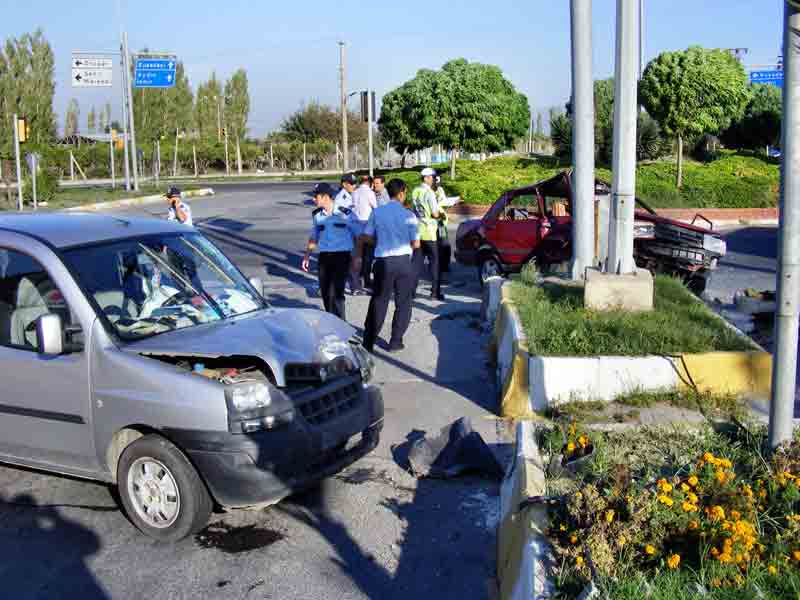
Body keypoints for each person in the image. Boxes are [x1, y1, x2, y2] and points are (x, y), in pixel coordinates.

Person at [354, 178, 420, 353]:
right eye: (405, 192)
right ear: (401, 193)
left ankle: (369, 341)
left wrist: (380, 240)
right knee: (403, 303)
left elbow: (366, 236)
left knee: (379, 301)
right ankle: (396, 341)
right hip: (404, 262)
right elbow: (416, 243)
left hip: (383, 263)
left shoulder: (378, 213)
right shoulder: (409, 215)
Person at [301, 183, 360, 320]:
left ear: (325, 197)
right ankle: (332, 322)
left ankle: (342, 326)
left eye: (315, 197)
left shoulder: (344, 213)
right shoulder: (317, 215)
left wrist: (357, 256)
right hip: (324, 257)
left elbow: (358, 235)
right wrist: (306, 256)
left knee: (337, 293)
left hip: (342, 256)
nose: (313, 200)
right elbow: (314, 236)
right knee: (326, 292)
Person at [411, 167, 443, 300]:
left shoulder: (415, 191)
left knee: (416, 263)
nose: (433, 179)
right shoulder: (429, 192)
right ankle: (435, 293)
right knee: (434, 262)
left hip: (418, 230)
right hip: (429, 231)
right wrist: (442, 214)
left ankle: (411, 292)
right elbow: (435, 213)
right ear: (425, 178)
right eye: (432, 177)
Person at [352, 175, 377, 289]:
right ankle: (366, 279)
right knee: (368, 255)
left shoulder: (354, 192)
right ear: (370, 183)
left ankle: (356, 281)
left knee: (357, 254)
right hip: (367, 225)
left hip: (355, 225)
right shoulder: (370, 193)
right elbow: (376, 208)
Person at [432, 175, 451, 276]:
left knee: (445, 243)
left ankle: (444, 265)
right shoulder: (425, 192)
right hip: (430, 224)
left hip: (440, 222)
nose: (436, 184)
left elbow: (444, 201)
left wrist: (449, 202)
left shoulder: (440, 189)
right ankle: (434, 265)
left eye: (437, 182)